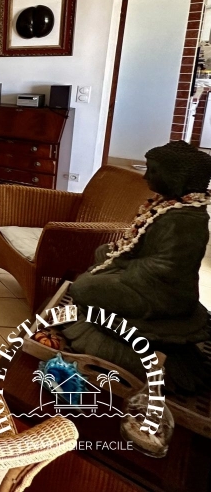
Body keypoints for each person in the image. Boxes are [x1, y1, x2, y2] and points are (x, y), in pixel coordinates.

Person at [63, 141, 211, 392]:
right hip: (138, 276)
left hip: (160, 293)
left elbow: (166, 269)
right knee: (101, 255)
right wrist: (118, 255)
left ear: (176, 177)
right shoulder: (165, 205)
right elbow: (140, 245)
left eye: (153, 171)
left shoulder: (186, 218)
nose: (145, 177)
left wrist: (123, 264)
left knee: (82, 288)